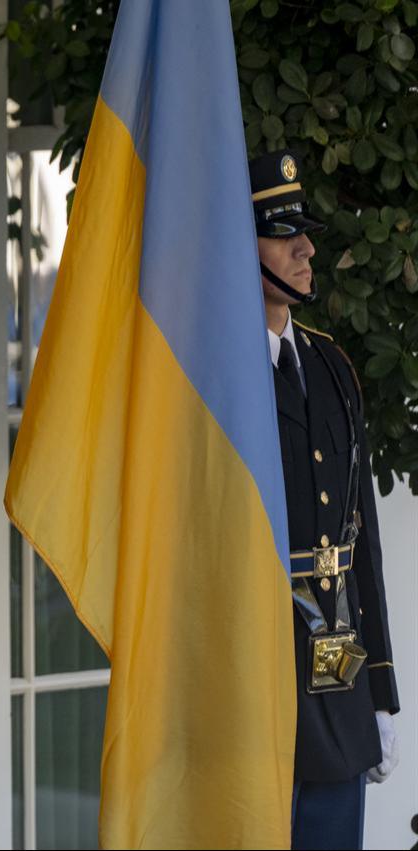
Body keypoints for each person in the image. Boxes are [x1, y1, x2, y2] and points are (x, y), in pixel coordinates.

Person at [250, 149, 399, 850]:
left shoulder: (333, 366)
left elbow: (360, 540)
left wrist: (382, 688)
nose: (307, 247)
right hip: (254, 669)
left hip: (336, 665)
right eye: (283, 233)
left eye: (304, 230)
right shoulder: (211, 381)